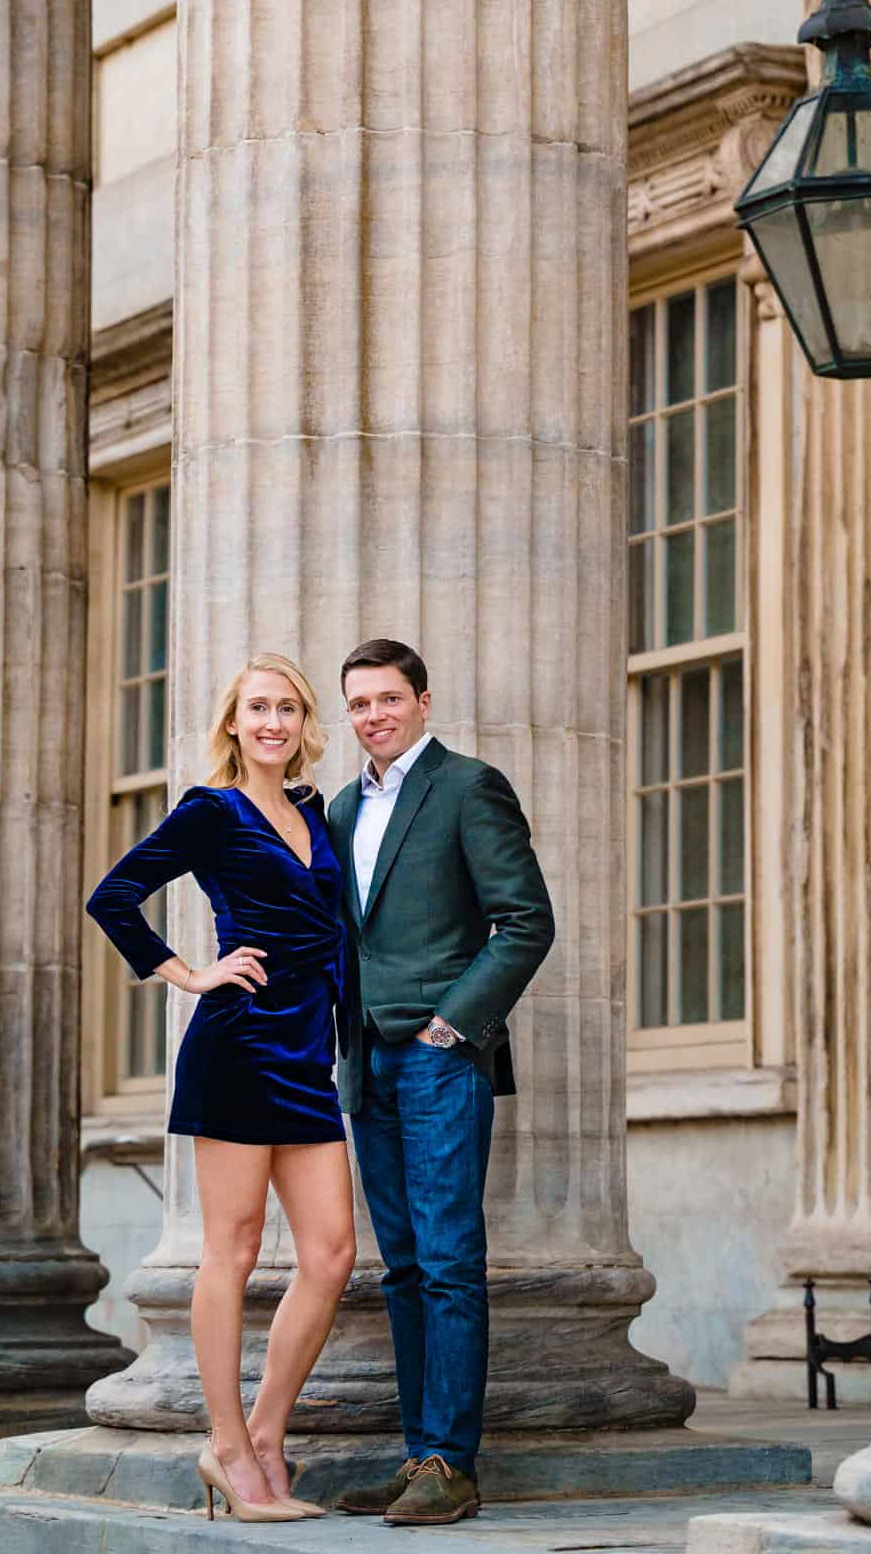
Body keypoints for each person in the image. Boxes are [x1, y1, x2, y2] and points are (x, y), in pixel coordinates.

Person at [86, 653, 354, 1526]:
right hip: (238, 1046)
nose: (272, 722)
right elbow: (114, 896)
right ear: (232, 724)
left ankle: (266, 1437)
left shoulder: (316, 811)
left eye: (286, 708)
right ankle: (228, 1447)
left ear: (303, 722)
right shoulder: (211, 810)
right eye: (256, 709)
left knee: (330, 1255)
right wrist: (189, 974)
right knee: (231, 1254)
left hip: (308, 1054)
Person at [327, 639, 555, 1527]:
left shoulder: (468, 787)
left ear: (422, 701)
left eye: (388, 698)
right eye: (358, 703)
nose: (374, 715)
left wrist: (451, 1025)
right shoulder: (343, 808)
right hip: (365, 1059)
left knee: (451, 1259)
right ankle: (418, 1453)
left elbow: (523, 920)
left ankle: (453, 1465)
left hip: (437, 1054)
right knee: (404, 1266)